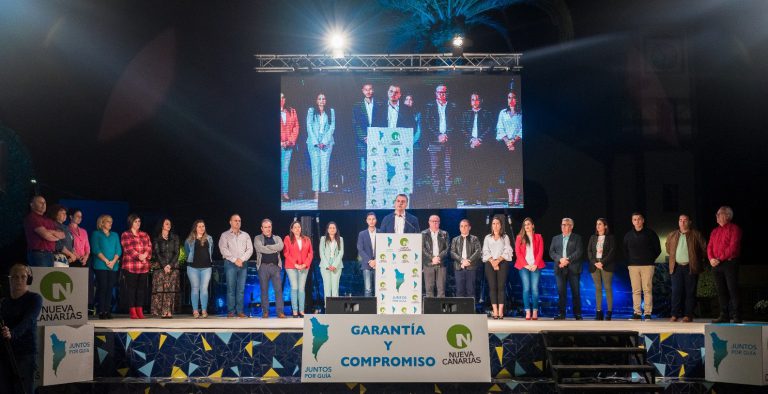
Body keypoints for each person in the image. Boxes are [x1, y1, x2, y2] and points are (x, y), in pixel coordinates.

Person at [1, 264, 43, 394]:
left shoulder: (35, 299)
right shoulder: (4, 302)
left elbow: (28, 321)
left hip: (25, 353)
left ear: (28, 279)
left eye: (23, 277)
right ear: (9, 279)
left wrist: (12, 334)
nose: (19, 280)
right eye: (15, 277)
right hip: (4, 354)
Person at [665, 214, 707, 323]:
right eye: (680, 220)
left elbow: (704, 249)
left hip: (690, 266)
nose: (682, 222)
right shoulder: (672, 235)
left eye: (685, 220)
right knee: (676, 291)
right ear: (678, 222)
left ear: (689, 222)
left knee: (690, 292)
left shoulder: (696, 234)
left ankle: (688, 315)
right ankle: (674, 315)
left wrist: (697, 260)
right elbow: (668, 248)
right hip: (676, 267)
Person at [623, 213, 661, 321]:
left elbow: (657, 249)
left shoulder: (650, 233)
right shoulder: (628, 235)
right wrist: (630, 262)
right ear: (632, 221)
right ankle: (637, 313)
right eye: (635, 219)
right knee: (636, 290)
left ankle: (647, 313)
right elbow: (625, 251)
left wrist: (650, 260)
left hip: (647, 265)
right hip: (633, 266)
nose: (637, 221)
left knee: (647, 290)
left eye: (639, 219)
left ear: (643, 220)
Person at [708, 206, 743, 323]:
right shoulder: (715, 231)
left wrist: (719, 258)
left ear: (727, 216)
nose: (717, 216)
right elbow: (710, 247)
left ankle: (737, 315)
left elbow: (732, 248)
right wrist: (711, 258)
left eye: (720, 214)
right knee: (720, 290)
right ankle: (724, 315)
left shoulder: (735, 229)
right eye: (717, 214)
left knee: (732, 289)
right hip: (716, 264)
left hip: (729, 263)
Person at [459, 93, 495, 204]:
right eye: (472, 100)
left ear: (481, 101)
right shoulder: (465, 114)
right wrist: (471, 139)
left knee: (483, 174)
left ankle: (484, 199)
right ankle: (470, 199)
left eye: (477, 99)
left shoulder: (486, 114)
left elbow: (490, 129)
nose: (475, 102)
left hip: (483, 148)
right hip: (469, 148)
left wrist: (479, 140)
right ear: (470, 101)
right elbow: (462, 129)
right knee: (469, 174)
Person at [424, 84, 458, 196]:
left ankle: (448, 193)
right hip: (434, 142)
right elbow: (427, 124)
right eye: (439, 92)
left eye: (444, 92)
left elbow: (455, 123)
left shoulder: (453, 106)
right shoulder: (430, 106)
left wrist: (447, 135)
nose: (441, 94)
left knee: (449, 169)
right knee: (435, 169)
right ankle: (436, 193)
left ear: (446, 93)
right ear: (436, 93)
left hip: (449, 141)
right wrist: (438, 135)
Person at [219, 214, 253, 318]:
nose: (238, 222)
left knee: (241, 289)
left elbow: (250, 249)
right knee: (231, 288)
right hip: (230, 264)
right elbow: (223, 249)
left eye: (239, 220)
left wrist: (241, 259)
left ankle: (240, 311)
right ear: (230, 222)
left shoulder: (245, 235)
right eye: (235, 220)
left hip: (243, 264)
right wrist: (235, 260)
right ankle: (231, 311)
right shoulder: (225, 235)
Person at [549, 218, 584, 320]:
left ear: (571, 226)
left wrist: (567, 260)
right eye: (562, 224)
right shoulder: (555, 238)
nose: (563, 226)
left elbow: (579, 252)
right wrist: (560, 259)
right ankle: (561, 314)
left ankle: (577, 314)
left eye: (566, 224)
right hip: (560, 268)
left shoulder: (577, 238)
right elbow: (552, 252)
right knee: (561, 292)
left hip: (573, 268)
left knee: (575, 292)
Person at [121, 214, 153, 319]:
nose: (138, 223)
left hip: (143, 267)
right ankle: (132, 311)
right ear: (131, 222)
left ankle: (140, 310)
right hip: (131, 266)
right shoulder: (126, 234)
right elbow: (128, 249)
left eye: (139, 221)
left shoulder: (144, 234)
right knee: (131, 289)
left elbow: (149, 247)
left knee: (141, 289)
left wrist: (145, 256)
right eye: (135, 221)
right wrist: (140, 257)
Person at [482, 214, 514, 319]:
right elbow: (485, 250)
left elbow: (508, 250)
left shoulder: (505, 237)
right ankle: (494, 311)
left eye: (497, 224)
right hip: (490, 263)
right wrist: (492, 261)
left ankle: (500, 311)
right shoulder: (487, 237)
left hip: (502, 263)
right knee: (492, 288)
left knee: (501, 287)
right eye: (493, 224)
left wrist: (498, 260)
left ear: (501, 225)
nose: (495, 226)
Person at [495, 90, 523, 206]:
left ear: (516, 99)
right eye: (509, 97)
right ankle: (510, 196)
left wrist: (514, 141)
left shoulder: (521, 113)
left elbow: (522, 129)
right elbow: (500, 128)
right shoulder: (503, 113)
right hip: (505, 146)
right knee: (507, 171)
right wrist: (508, 142)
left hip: (518, 145)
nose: (511, 100)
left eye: (513, 97)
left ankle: (517, 197)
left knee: (517, 171)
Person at [91, 214, 121, 319]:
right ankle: (101, 311)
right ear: (102, 222)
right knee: (102, 287)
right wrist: (106, 261)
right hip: (100, 265)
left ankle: (107, 310)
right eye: (108, 221)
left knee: (110, 287)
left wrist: (113, 261)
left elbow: (118, 250)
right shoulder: (96, 234)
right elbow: (95, 249)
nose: (110, 223)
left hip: (113, 266)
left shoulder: (115, 235)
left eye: (111, 221)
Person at [253, 219, 286, 318]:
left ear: (271, 227)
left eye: (269, 227)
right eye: (265, 227)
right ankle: (265, 312)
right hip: (263, 267)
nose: (268, 229)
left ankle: (280, 312)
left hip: (275, 267)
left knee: (278, 290)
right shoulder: (257, 238)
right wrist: (273, 249)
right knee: (264, 290)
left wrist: (267, 247)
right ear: (262, 228)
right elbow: (260, 248)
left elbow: (280, 247)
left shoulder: (277, 238)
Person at [306, 92, 336, 200]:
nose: (322, 101)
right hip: (313, 143)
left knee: (324, 167)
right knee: (315, 167)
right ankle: (316, 192)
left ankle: (324, 192)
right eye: (319, 99)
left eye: (323, 99)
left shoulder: (331, 111)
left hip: (326, 143)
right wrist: (316, 142)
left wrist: (324, 141)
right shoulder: (311, 111)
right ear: (316, 100)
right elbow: (309, 126)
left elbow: (332, 127)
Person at [515, 217, 545, 320]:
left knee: (535, 289)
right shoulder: (519, 237)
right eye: (525, 225)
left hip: (536, 266)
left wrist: (535, 264)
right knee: (526, 288)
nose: (527, 226)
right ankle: (527, 311)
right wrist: (526, 265)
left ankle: (535, 311)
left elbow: (541, 251)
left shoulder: (538, 237)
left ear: (532, 226)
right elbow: (518, 253)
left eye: (528, 224)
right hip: (523, 266)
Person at [352, 83, 381, 191]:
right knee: (363, 167)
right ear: (362, 91)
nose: (368, 92)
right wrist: (364, 137)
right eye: (366, 90)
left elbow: (381, 122)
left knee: (375, 166)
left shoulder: (379, 105)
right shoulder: (357, 106)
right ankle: (363, 190)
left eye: (370, 89)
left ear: (372, 90)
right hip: (362, 141)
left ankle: (374, 190)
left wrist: (375, 137)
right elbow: (356, 124)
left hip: (376, 140)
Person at [587, 218, 617, 321]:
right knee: (598, 288)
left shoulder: (610, 238)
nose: (598, 226)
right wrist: (595, 262)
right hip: (595, 265)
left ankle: (609, 312)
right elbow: (589, 251)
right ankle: (598, 312)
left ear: (605, 226)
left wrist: (602, 262)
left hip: (606, 265)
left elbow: (612, 252)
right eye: (597, 224)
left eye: (600, 224)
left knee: (608, 288)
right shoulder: (592, 237)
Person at [23, 195, 65, 267]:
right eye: (40, 202)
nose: (43, 205)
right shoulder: (32, 217)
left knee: (49, 278)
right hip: (38, 254)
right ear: (32, 205)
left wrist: (49, 232)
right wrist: (53, 234)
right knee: (41, 278)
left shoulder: (48, 219)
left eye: (45, 203)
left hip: (50, 254)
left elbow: (62, 235)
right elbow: (46, 236)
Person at [150, 217, 180, 318]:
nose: (169, 225)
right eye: (167, 223)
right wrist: (164, 265)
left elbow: (177, 253)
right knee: (160, 288)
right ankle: (160, 310)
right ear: (162, 225)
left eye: (170, 223)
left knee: (170, 289)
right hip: (160, 266)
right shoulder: (157, 239)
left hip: (172, 266)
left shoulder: (175, 237)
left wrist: (170, 265)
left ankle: (169, 310)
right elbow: (157, 253)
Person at [283, 220, 313, 317]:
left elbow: (310, 253)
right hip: (291, 267)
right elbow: (286, 253)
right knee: (294, 287)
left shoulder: (307, 239)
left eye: (299, 227)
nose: (297, 229)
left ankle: (301, 310)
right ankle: (295, 311)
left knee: (301, 289)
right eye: (295, 227)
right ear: (291, 229)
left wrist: (304, 264)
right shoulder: (287, 238)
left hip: (304, 267)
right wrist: (295, 264)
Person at [185, 220, 213, 318]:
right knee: (195, 288)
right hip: (193, 268)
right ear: (195, 228)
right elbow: (187, 252)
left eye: (203, 226)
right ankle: (195, 311)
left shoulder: (209, 239)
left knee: (204, 289)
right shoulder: (189, 240)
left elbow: (211, 251)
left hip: (206, 268)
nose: (202, 228)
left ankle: (204, 310)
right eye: (199, 226)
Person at [450, 219, 481, 299]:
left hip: (471, 268)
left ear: (469, 227)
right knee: (459, 291)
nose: (463, 228)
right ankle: (460, 311)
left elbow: (478, 252)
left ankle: (470, 311)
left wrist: (469, 260)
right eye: (461, 226)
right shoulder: (455, 240)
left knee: (471, 291)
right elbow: (452, 253)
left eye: (465, 226)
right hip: (459, 268)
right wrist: (462, 260)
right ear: (459, 228)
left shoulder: (474, 239)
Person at [422, 215, 449, 298]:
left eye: (436, 221)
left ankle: (440, 310)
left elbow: (447, 248)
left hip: (441, 263)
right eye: (432, 221)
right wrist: (432, 258)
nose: (434, 223)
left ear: (439, 223)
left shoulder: (444, 234)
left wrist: (438, 257)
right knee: (429, 289)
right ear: (429, 222)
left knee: (441, 289)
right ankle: (430, 310)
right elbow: (422, 248)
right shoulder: (423, 234)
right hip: (429, 264)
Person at [280, 92, 300, 202]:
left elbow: (296, 127)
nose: (281, 99)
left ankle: (285, 193)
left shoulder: (292, 111)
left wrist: (290, 141)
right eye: (279, 97)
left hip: (288, 146)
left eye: (283, 97)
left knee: (285, 169)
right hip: (278, 145)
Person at [319, 222, 344, 300]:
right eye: (330, 228)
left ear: (336, 230)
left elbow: (341, 252)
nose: (332, 229)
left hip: (337, 265)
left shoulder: (340, 239)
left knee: (335, 288)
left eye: (334, 228)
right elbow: (321, 252)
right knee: (327, 288)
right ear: (327, 229)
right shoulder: (323, 239)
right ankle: (327, 308)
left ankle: (335, 309)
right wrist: (327, 265)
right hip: (325, 265)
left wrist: (334, 265)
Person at [357, 212, 378, 297]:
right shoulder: (362, 234)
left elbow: (384, 248)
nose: (371, 221)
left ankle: (379, 309)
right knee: (368, 289)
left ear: (376, 220)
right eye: (369, 219)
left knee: (379, 288)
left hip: (379, 264)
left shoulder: (381, 232)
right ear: (366, 221)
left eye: (373, 219)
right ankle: (369, 310)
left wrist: (376, 260)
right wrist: (370, 261)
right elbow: (360, 249)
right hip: (366, 264)